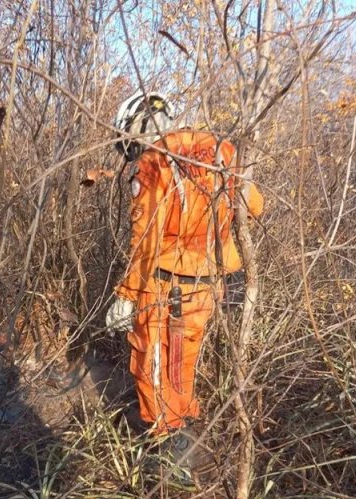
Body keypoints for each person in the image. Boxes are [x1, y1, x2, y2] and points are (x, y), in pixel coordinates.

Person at [106, 91, 264, 464]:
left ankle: (168, 452)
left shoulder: (153, 162)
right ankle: (184, 424)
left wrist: (126, 295)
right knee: (182, 361)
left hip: (167, 285)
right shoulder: (221, 149)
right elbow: (254, 206)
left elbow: (146, 240)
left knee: (153, 364)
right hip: (209, 285)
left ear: (136, 128)